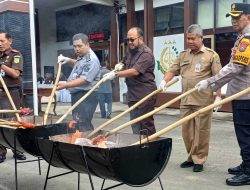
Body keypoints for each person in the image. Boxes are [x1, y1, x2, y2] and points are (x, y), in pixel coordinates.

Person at [196, 3, 250, 185]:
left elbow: (235, 68)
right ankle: (247, 164)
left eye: (237, 17)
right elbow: (232, 65)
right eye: (232, 17)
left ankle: (249, 171)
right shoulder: (241, 37)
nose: (233, 21)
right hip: (240, 95)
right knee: (244, 133)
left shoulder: (247, 39)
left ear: (248, 17)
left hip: (245, 97)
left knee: (245, 134)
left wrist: (211, 82)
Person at [159, 24, 222, 172]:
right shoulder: (183, 55)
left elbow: (218, 78)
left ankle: (199, 159)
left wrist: (218, 97)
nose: (190, 41)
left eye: (193, 38)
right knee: (187, 132)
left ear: (201, 38)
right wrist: (164, 82)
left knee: (202, 131)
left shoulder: (211, 55)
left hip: (203, 101)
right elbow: (172, 70)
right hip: (186, 100)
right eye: (188, 38)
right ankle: (191, 156)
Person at [104, 27, 157, 136]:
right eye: (127, 40)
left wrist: (115, 75)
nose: (129, 42)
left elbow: (135, 71)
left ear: (140, 39)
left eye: (132, 40)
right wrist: (119, 65)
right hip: (132, 95)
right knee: (135, 123)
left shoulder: (146, 53)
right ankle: (138, 146)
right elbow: (124, 61)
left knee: (145, 124)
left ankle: (151, 148)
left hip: (145, 95)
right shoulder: (130, 52)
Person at [57, 33, 100, 131]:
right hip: (78, 94)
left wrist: (65, 85)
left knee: (83, 123)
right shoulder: (82, 55)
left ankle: (88, 144)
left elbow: (84, 80)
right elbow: (79, 64)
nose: (77, 49)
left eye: (80, 46)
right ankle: (81, 142)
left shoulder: (92, 60)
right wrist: (68, 60)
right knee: (77, 122)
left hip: (87, 95)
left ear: (87, 45)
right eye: (75, 46)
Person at [0, 31, 26, 163]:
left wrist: (1, 65)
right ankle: (1, 151)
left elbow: (15, 74)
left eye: (2, 41)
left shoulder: (15, 55)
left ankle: (17, 149)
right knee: (0, 122)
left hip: (11, 93)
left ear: (9, 41)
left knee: (12, 121)